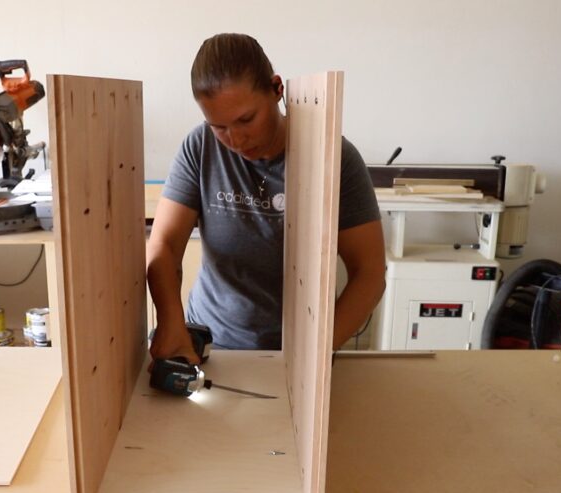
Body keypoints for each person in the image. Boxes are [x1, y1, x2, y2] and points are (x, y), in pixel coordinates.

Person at [147, 33, 386, 363]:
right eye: (219, 126)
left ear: (276, 89)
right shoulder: (200, 147)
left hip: (299, 352)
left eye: (247, 119)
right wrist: (170, 324)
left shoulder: (334, 158)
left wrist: (315, 354)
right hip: (212, 345)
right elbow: (164, 247)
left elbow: (369, 272)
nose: (236, 139)